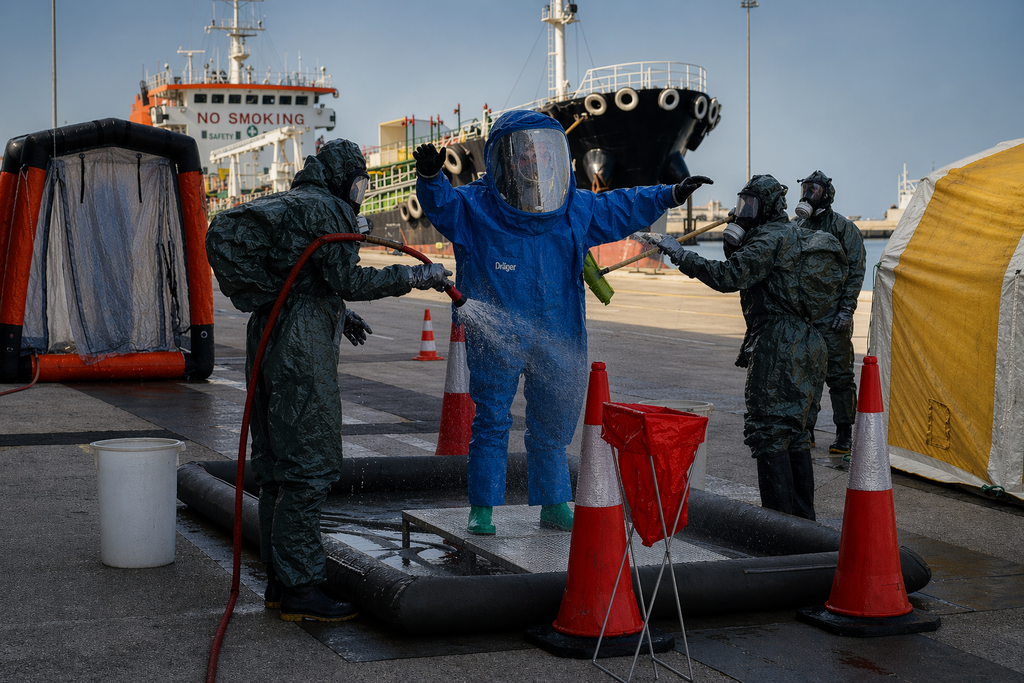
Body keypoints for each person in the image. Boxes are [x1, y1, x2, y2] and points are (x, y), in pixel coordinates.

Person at [414, 109, 711, 535]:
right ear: (502, 159)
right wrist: (430, 177)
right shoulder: (475, 207)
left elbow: (622, 205)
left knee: (553, 422)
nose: (532, 162)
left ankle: (553, 502)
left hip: (558, 329)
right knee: (492, 421)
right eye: (522, 155)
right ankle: (483, 507)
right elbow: (441, 206)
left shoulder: (573, 208)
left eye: (540, 154)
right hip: (497, 337)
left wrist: (670, 193)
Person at [205, 139, 453, 622]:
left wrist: (340, 316)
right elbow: (348, 279)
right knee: (310, 467)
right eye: (359, 182)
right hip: (300, 353)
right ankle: (302, 590)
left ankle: (281, 580)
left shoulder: (297, 204)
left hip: (271, 332)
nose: (360, 192)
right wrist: (417, 277)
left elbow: (305, 279)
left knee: (277, 468)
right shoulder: (329, 208)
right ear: (343, 177)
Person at [644, 175, 847, 520]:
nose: (743, 212)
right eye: (742, 204)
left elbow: (728, 277)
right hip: (810, 344)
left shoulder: (769, 238)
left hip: (779, 345)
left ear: (766, 207)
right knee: (794, 434)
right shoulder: (793, 232)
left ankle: (778, 530)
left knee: (768, 432)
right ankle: (803, 527)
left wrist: (680, 254)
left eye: (750, 205)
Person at [794, 171, 866, 455]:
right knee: (805, 375)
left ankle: (844, 432)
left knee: (839, 377)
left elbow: (856, 269)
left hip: (833, 316)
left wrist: (846, 309)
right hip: (804, 317)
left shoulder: (842, 228)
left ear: (826, 193)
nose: (808, 193)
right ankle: (806, 430)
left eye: (814, 188)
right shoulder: (796, 225)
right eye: (805, 187)